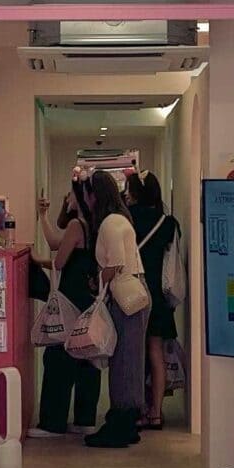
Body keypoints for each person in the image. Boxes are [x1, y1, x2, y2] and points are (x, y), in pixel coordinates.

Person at [83, 169, 151, 448]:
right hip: (135, 293)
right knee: (132, 359)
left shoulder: (109, 223)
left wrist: (96, 281)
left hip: (125, 299)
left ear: (94, 195)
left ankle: (120, 423)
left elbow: (115, 264)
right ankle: (128, 420)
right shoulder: (121, 218)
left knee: (122, 362)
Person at [28, 179, 100, 437]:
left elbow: (59, 260)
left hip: (70, 297)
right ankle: (85, 419)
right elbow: (59, 245)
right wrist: (43, 217)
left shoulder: (76, 225)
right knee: (86, 355)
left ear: (80, 197)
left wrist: (39, 261)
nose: (67, 198)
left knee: (58, 357)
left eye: (70, 194)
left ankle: (53, 422)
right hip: (88, 298)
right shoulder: (95, 224)